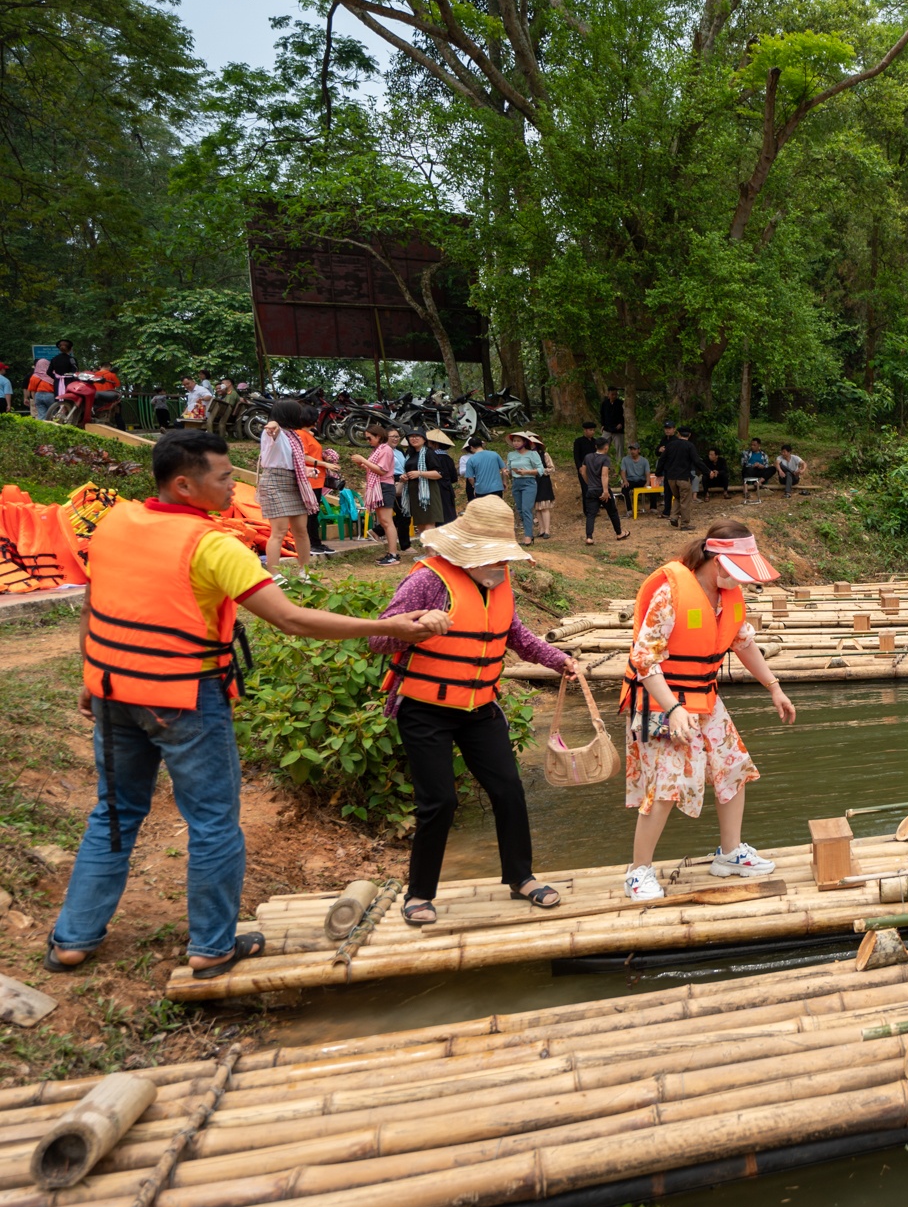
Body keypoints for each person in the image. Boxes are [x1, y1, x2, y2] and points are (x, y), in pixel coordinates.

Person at [47, 429, 448, 979]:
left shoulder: (115, 523)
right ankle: (212, 946)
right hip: (186, 699)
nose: (234, 486)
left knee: (113, 813)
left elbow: (94, 604)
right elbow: (291, 618)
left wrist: (90, 674)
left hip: (113, 690)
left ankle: (73, 939)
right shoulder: (214, 546)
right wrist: (392, 627)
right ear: (184, 485)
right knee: (213, 822)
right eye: (223, 477)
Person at [371, 497, 574, 925]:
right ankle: (419, 893)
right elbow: (379, 639)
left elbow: (515, 634)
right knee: (439, 801)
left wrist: (558, 660)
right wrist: (418, 625)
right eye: (494, 556)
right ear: (467, 551)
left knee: (508, 790)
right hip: (425, 709)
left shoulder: (498, 581)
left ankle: (521, 877)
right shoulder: (427, 580)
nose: (501, 564)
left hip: (479, 705)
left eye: (504, 557)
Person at [620, 521, 796, 898]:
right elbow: (644, 659)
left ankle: (730, 854)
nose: (743, 580)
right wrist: (673, 709)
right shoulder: (671, 593)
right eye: (739, 570)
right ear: (717, 562)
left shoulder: (727, 595)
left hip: (704, 699)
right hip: (659, 700)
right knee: (666, 784)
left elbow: (742, 642)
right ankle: (638, 872)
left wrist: (774, 687)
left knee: (733, 767)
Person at [256, 400, 319, 579]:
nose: (301, 416)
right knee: (279, 531)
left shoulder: (293, 436)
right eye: (298, 413)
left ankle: (304, 572)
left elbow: (291, 463)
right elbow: (273, 428)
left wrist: (308, 471)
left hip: (294, 482)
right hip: (275, 482)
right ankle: (275, 576)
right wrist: (273, 425)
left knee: (301, 530)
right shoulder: (271, 433)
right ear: (289, 414)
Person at [354, 423, 402, 565]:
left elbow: (382, 470)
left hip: (384, 486)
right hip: (380, 486)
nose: (368, 441)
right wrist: (363, 464)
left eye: (370, 438)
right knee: (384, 521)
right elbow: (374, 468)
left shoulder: (385, 449)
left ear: (379, 436)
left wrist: (363, 460)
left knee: (387, 521)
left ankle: (393, 554)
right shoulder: (378, 450)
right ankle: (391, 553)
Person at [580, 436, 629, 544]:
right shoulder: (605, 459)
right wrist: (605, 491)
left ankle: (589, 537)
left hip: (591, 490)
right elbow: (604, 475)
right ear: (606, 447)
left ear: (596, 446)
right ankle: (619, 533)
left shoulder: (587, 457)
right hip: (602, 489)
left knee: (591, 514)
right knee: (612, 512)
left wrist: (589, 483)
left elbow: (583, 472)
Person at [398, 430, 446, 538]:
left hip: (428, 492)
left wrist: (420, 473)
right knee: (420, 525)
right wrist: (404, 477)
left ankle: (431, 548)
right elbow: (408, 471)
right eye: (411, 436)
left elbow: (438, 474)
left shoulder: (429, 453)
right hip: (413, 492)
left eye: (417, 436)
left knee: (429, 523)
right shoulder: (409, 454)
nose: (414, 439)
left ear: (424, 439)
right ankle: (426, 548)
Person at [297, 420, 335, 557]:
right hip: (310, 479)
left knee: (314, 514)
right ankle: (313, 543)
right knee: (311, 514)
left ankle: (316, 542)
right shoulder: (301, 434)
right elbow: (304, 456)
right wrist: (324, 464)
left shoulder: (309, 434)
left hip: (317, 479)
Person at [657, 422, 697, 527]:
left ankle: (673, 517)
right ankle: (685, 524)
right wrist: (708, 471)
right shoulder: (690, 446)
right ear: (689, 435)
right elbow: (697, 461)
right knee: (685, 500)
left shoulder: (670, 445)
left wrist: (658, 473)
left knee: (677, 497)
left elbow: (662, 459)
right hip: (683, 477)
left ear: (678, 433)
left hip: (671, 477)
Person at [422, 428, 460, 524]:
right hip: (447, 488)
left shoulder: (432, 457)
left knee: (439, 515)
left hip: (435, 489)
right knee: (449, 513)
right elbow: (454, 478)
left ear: (434, 444)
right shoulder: (448, 458)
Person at [461, 435, 505, 503]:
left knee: (484, 509)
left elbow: (470, 478)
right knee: (496, 508)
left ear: (471, 447)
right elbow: (504, 470)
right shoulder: (494, 454)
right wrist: (505, 482)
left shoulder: (471, 460)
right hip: (497, 488)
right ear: (481, 444)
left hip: (481, 490)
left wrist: (474, 486)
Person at [535, 446, 559, 539]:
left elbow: (552, 468)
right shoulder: (528, 455)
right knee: (537, 507)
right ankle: (541, 529)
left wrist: (541, 471)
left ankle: (547, 530)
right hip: (533, 482)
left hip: (544, 482)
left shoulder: (544, 454)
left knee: (544, 506)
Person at [619, 447, 651, 514]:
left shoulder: (644, 460)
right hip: (630, 480)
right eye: (631, 449)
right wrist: (625, 480)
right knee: (625, 488)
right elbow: (623, 471)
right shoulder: (625, 459)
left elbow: (647, 473)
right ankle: (629, 509)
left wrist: (647, 482)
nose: (632, 451)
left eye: (634, 449)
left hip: (641, 480)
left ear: (638, 450)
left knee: (651, 487)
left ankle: (653, 507)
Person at [600, 387, 626, 462]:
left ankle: (620, 465)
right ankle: (603, 463)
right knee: (602, 446)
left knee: (619, 448)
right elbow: (602, 415)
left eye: (615, 394)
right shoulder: (604, 403)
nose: (614, 396)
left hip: (618, 430)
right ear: (608, 394)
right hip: (607, 428)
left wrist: (621, 423)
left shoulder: (621, 403)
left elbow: (624, 415)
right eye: (612, 394)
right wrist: (603, 425)